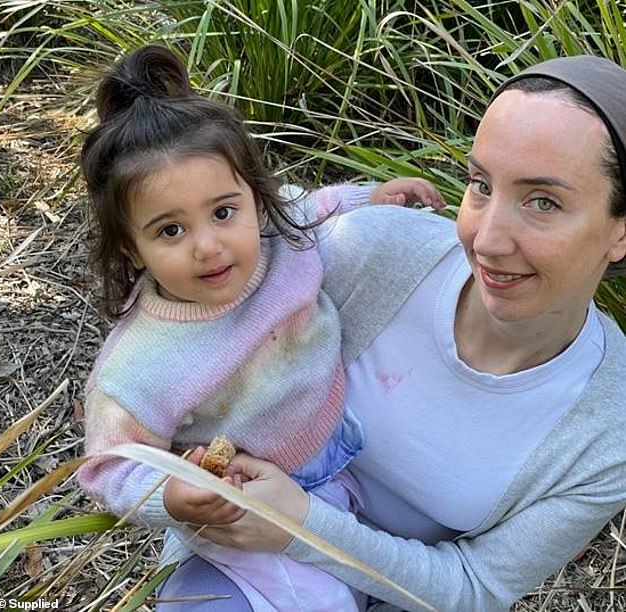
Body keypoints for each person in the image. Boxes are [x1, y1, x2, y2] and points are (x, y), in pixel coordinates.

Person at [179, 55, 626, 611]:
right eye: (480, 185)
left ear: (619, 232)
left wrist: (302, 526)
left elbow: (474, 588)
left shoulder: (609, 425)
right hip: (248, 566)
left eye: (543, 202)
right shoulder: (379, 253)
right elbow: (245, 224)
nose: (487, 240)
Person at [76, 44, 444, 611]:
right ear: (131, 247)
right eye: (170, 231)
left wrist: (367, 196)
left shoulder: (276, 236)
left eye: (224, 212)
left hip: (343, 457)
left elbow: (310, 204)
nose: (208, 245)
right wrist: (171, 495)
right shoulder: (139, 366)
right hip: (249, 499)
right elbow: (109, 467)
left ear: (253, 198)